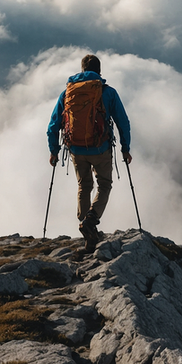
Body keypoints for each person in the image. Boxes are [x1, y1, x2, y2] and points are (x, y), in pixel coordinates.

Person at [47, 54, 132, 251]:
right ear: (99, 71)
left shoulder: (67, 93)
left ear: (82, 70)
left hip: (76, 149)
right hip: (100, 148)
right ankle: (91, 221)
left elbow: (53, 125)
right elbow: (123, 122)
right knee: (104, 184)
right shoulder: (107, 92)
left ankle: (85, 226)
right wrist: (125, 148)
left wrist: (54, 151)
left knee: (84, 186)